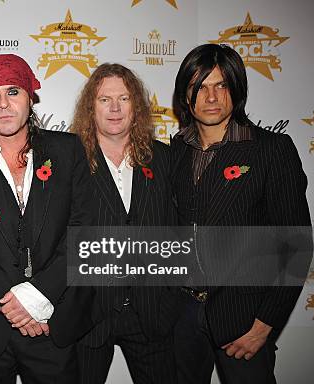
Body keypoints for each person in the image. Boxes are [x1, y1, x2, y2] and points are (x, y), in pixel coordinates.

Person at [0, 53, 96, 383]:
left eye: (13, 92)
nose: (3, 105)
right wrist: (20, 308)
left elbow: (84, 230)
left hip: (53, 321)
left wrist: (39, 297)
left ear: (30, 97)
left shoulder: (70, 151)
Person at [170, 43, 311, 384]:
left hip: (243, 317)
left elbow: (296, 245)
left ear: (237, 89)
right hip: (180, 315)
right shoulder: (175, 150)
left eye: (222, 85)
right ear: (185, 95)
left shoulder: (271, 149)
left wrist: (265, 323)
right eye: (199, 87)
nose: (212, 97)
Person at [71, 63, 179, 384]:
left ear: (137, 106)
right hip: (89, 314)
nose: (115, 108)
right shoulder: (71, 160)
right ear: (91, 107)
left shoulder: (164, 159)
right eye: (105, 100)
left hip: (151, 314)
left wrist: (170, 299)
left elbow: (178, 231)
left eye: (124, 98)